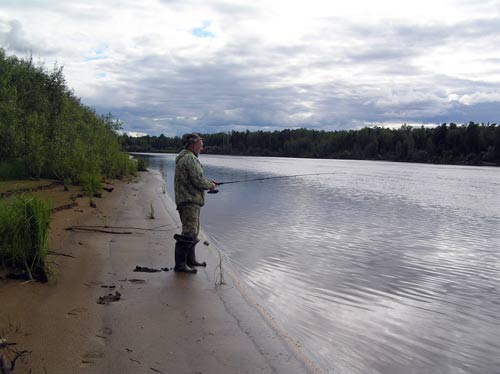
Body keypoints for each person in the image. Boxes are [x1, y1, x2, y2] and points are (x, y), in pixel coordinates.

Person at [173, 133, 217, 273]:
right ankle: (180, 265)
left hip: (188, 200)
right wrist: (210, 185)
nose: (202, 148)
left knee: (194, 231)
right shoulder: (190, 159)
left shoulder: (186, 158)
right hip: (189, 201)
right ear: (193, 144)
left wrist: (209, 182)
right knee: (189, 232)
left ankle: (190, 261)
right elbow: (198, 181)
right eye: (201, 145)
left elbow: (195, 178)